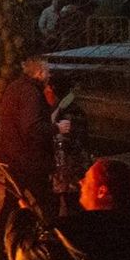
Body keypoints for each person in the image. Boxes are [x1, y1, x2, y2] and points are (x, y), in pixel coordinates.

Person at [0, 55, 57, 215]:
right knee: (46, 202)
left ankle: (1, 234)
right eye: (47, 72)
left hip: (11, 157)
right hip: (29, 160)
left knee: (12, 200)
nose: (49, 76)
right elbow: (32, 128)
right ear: (39, 73)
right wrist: (56, 128)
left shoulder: (14, 87)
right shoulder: (32, 94)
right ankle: (53, 234)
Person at [45, 72, 89, 216]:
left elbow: (68, 144)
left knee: (72, 207)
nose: (45, 93)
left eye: (47, 90)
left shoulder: (70, 113)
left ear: (54, 90)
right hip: (64, 174)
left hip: (70, 174)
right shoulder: (61, 109)